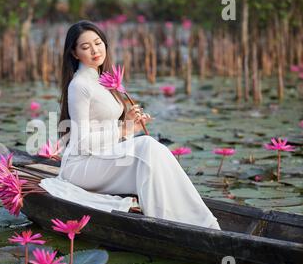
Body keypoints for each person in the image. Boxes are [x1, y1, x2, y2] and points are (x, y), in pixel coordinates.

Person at [56, 20, 221, 230]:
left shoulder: (103, 80)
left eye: (98, 43)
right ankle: (173, 225)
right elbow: (82, 143)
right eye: (86, 47)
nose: (95, 50)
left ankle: (193, 221)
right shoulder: (79, 85)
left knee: (153, 149)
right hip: (80, 165)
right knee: (147, 147)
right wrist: (123, 129)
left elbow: (111, 134)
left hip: (103, 157)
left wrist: (129, 126)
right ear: (74, 53)